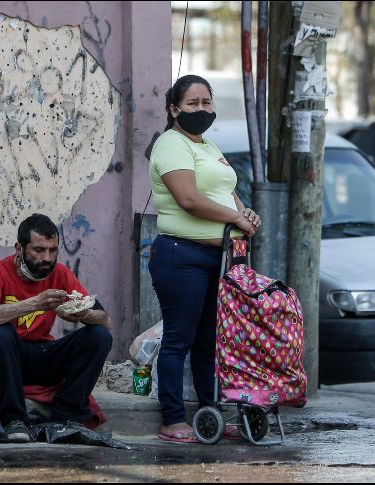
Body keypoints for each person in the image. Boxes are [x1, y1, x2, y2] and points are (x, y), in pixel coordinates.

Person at [147, 74, 261, 443]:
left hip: (221, 259)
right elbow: (189, 199)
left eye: (206, 102)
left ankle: (210, 412)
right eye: (192, 103)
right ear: (173, 109)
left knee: (210, 342)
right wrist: (234, 218)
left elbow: (228, 194)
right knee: (179, 339)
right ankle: (172, 419)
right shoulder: (171, 144)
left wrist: (247, 215)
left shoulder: (209, 146)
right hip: (182, 256)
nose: (201, 109)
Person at [0, 213, 113, 443]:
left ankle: (67, 416)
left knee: (99, 336)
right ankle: (13, 419)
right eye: (38, 250)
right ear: (20, 247)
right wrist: (35, 303)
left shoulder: (61, 273)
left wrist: (83, 314)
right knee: (1, 334)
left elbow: (105, 321)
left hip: (38, 355)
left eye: (53, 250)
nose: (47, 258)